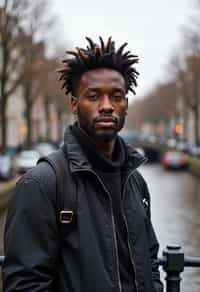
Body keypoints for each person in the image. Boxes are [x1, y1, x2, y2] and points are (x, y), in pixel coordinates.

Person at [2, 36, 163, 292]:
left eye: (116, 96)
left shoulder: (136, 182)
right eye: (94, 96)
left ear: (126, 106)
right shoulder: (42, 184)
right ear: (75, 105)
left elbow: (150, 260)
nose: (107, 106)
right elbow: (24, 285)